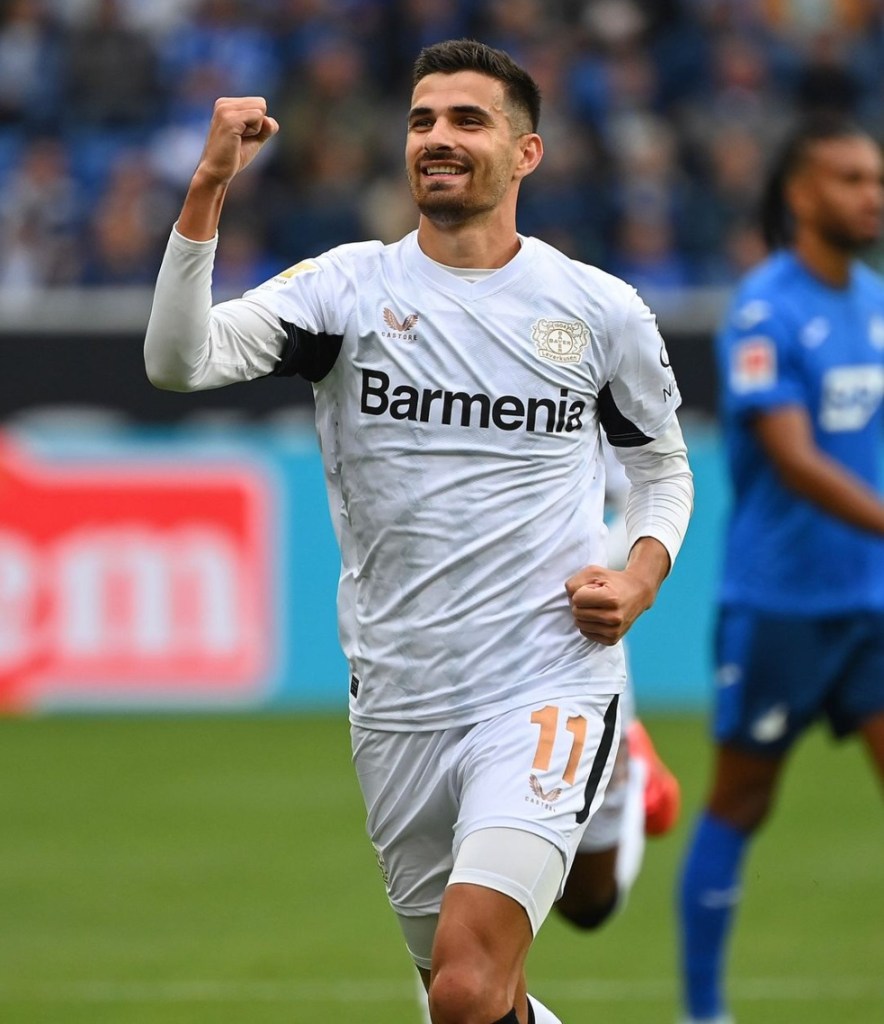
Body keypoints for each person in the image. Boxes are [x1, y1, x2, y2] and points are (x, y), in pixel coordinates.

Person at [144, 38, 694, 1024]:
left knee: (467, 987)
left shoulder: (597, 309)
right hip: (398, 699)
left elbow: (660, 470)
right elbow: (178, 362)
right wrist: (208, 189)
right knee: (473, 1003)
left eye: (468, 120)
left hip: (545, 680)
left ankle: (618, 769)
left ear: (525, 153)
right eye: (421, 120)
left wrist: (639, 579)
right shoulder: (344, 291)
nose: (437, 137)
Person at [676, 114, 884, 1024]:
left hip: (871, 599)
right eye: (850, 179)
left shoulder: (875, 301)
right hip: (780, 604)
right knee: (740, 801)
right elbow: (794, 459)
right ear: (801, 194)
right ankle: (705, 1011)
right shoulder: (765, 309)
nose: (871, 196)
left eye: (876, 179)